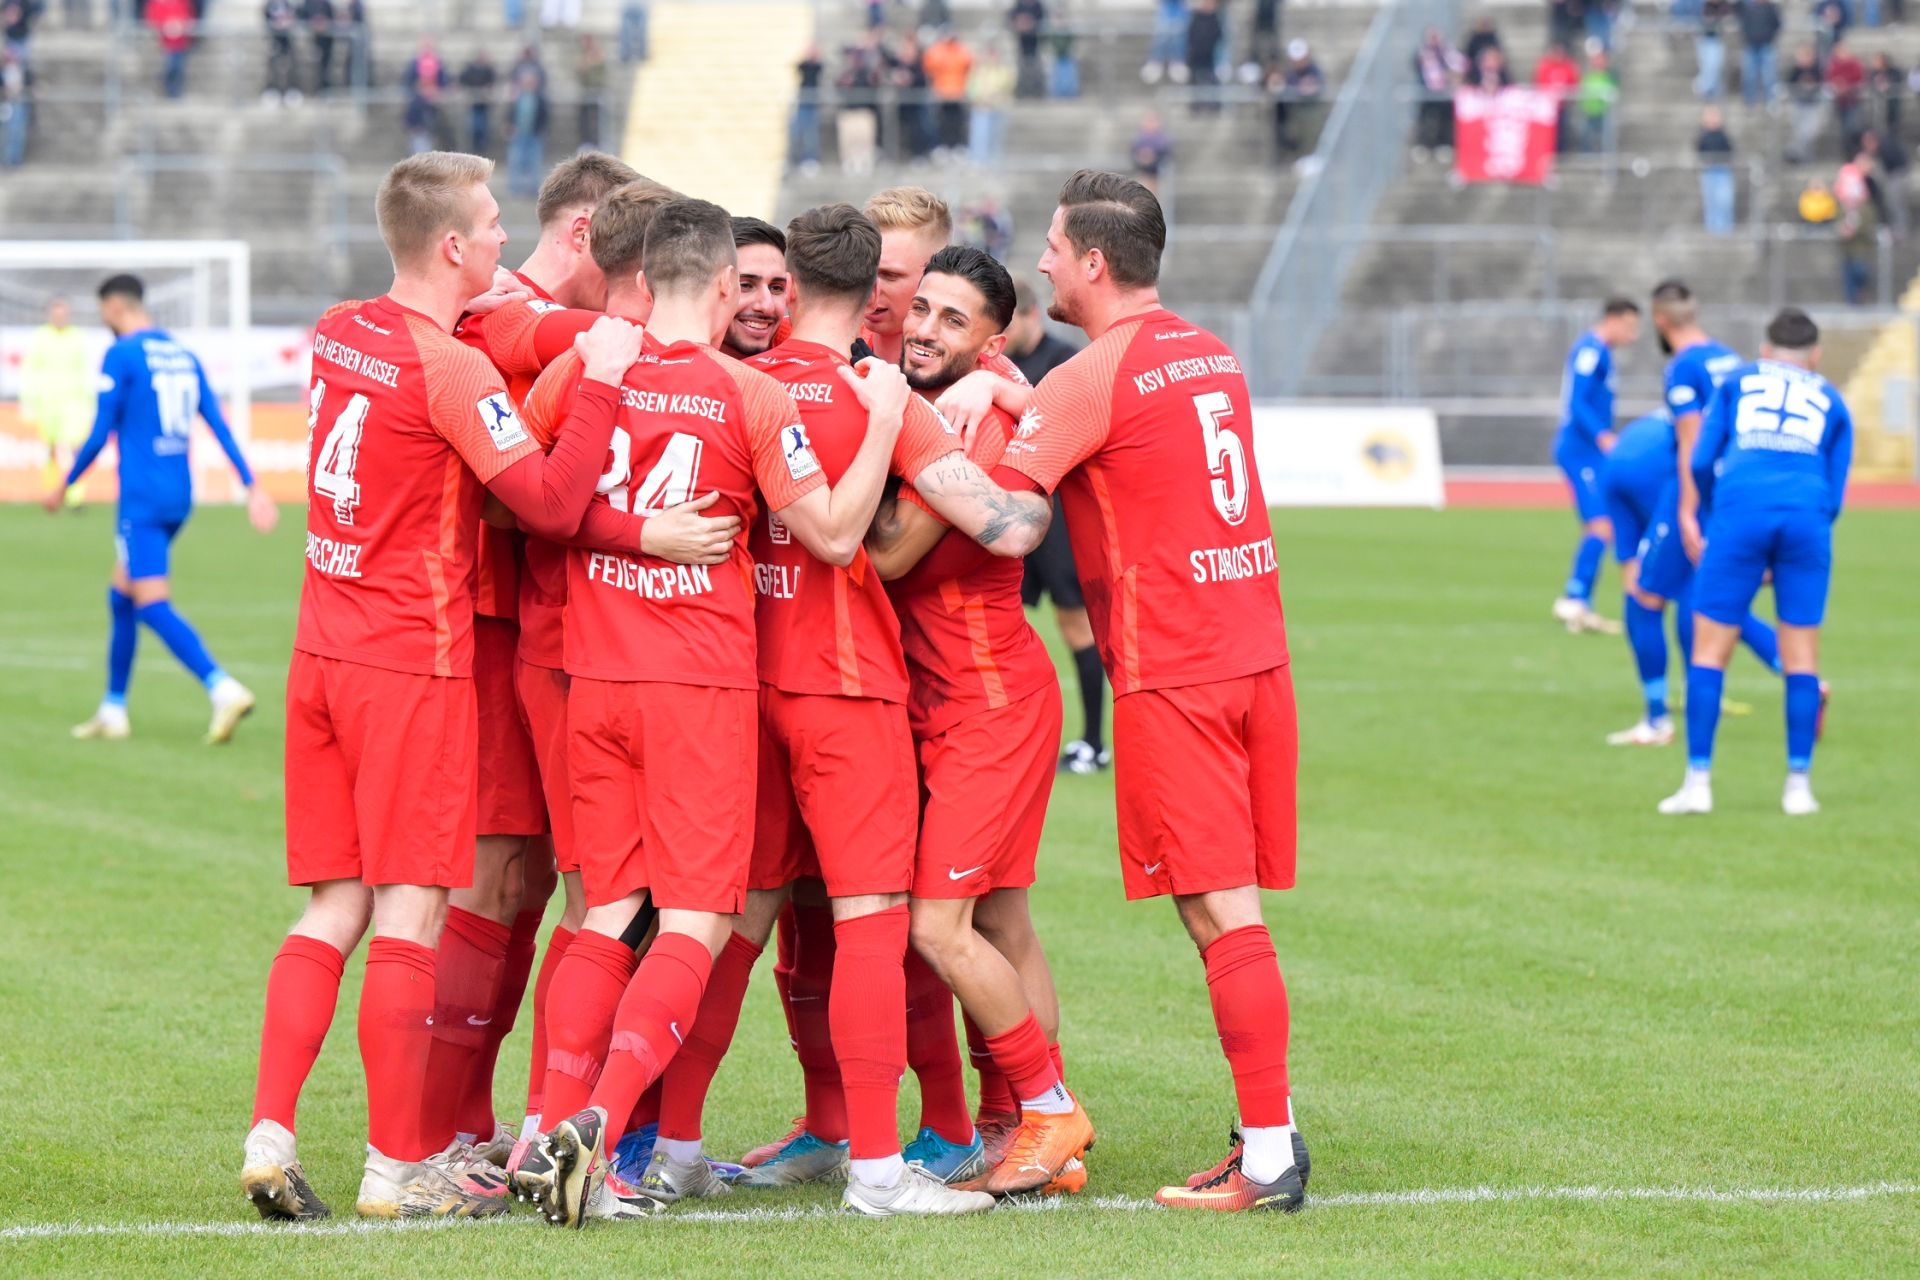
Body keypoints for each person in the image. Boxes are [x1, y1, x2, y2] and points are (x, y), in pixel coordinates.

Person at [521, 198, 1046, 1227]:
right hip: (821, 693)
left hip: (672, 686)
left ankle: (631, 1140)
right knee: (857, 925)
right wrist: (966, 419)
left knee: (658, 919)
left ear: (786, 287)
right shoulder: (788, 393)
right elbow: (965, 530)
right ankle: (882, 1168)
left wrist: (629, 531)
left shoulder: (618, 365)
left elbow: (524, 497)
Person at [239, 149, 660, 1224]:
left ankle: (270, 1131)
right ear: (454, 245)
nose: (506, 237)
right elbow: (552, 504)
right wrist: (604, 375)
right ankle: (396, 1166)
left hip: (319, 652)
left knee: (332, 904)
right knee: (412, 912)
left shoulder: (339, 327)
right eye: (492, 222)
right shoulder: (451, 371)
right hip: (408, 663)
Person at [1002, 169, 1307, 1212]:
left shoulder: (1087, 377)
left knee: (1221, 910)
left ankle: (1269, 1158)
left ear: (1093, 261)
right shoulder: (1209, 351)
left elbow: (1010, 514)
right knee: (1222, 905)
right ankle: (1266, 1132)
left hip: (1176, 667)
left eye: (1053, 247)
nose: (1041, 263)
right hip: (1253, 652)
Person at [434, 152, 648, 1182]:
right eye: (633, 264)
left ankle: (504, 1120)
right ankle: (448, 1124)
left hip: (550, 629)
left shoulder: (542, 316)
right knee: (502, 877)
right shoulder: (497, 314)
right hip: (488, 626)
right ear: (585, 235)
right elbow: (532, 333)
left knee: (537, 881)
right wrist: (633, 330)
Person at [864, 244, 1091, 1196]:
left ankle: (1048, 1110)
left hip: (989, 705)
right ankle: (1025, 1132)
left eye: (953, 321)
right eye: (921, 308)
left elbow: (889, 553)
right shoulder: (948, 400)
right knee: (1002, 919)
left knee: (939, 927)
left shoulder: (975, 426)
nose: (923, 329)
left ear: (994, 341)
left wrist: (876, 428)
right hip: (945, 702)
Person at [56, 274, 276, 744]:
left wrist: (66, 484)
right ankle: (113, 709)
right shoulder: (183, 355)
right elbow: (217, 423)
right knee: (121, 597)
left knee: (151, 603)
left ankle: (222, 688)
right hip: (179, 496)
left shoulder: (122, 354)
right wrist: (250, 485)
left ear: (115, 307)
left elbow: (99, 432)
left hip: (142, 499)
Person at [1659, 308, 1851, 817]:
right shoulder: (1832, 399)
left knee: (1709, 651)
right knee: (1802, 658)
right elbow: (1834, 492)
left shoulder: (1739, 381)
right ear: (1815, 356)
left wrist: (1713, 510)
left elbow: (1702, 459)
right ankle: (1798, 787)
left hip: (1741, 508)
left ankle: (1698, 784)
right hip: (1806, 517)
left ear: (1765, 350)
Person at [1550, 297, 1638, 635]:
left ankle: (1578, 599)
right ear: (1612, 320)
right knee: (1601, 525)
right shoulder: (1591, 351)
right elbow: (1577, 401)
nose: (1632, 335)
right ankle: (1574, 598)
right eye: (1629, 327)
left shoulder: (1601, 353)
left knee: (1603, 526)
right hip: (1580, 450)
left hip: (1590, 451)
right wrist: (1602, 435)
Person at [22, 297, 93, 509]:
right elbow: (31, 370)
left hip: (74, 402)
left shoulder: (78, 337)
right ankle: (51, 490)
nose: (60, 317)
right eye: (56, 313)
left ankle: (75, 494)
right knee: (51, 448)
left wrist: (89, 400)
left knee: (75, 447)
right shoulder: (41, 337)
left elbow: (84, 370)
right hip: (47, 402)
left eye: (63, 314)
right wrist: (29, 400)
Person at [719, 215, 789, 359]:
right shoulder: (673, 361)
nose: (767, 306)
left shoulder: (819, 353)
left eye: (776, 288)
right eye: (745, 285)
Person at [1413, 28, 1466, 156]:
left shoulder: (1448, 53)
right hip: (1427, 92)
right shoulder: (1423, 53)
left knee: (1445, 120)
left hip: (1445, 93)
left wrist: (1451, 76)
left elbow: (1460, 65)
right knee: (1425, 119)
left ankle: (1445, 144)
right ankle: (1424, 144)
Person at [921, 26, 971, 159]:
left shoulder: (961, 50)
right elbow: (929, 68)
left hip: (957, 92)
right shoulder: (936, 51)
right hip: (942, 92)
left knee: (957, 122)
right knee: (942, 122)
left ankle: (957, 147)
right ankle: (943, 147)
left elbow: (967, 65)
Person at [966, 38, 1012, 167]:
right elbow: (972, 88)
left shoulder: (1003, 71)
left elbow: (1006, 87)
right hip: (981, 108)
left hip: (997, 108)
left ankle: (994, 160)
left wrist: (995, 98)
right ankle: (978, 160)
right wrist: (980, 98)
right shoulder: (979, 71)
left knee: (995, 136)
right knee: (979, 135)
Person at [506, 66, 547, 197]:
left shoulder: (540, 99)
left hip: (534, 136)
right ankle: (515, 188)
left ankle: (533, 188)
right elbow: (510, 114)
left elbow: (544, 116)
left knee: (534, 163)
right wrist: (509, 126)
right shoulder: (517, 97)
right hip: (518, 135)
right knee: (515, 161)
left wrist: (540, 130)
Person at [1697, 106, 1736, 235]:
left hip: (1722, 170)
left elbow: (1729, 150)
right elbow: (1699, 150)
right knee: (1711, 201)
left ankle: (1725, 228)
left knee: (1724, 200)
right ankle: (1712, 228)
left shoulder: (1723, 136)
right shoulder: (1703, 136)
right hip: (1709, 171)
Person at [1785, 44, 1825, 162]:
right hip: (1799, 104)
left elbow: (1822, 85)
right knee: (1799, 132)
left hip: (1813, 105)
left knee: (1809, 132)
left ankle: (1802, 154)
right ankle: (1800, 155)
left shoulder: (1817, 70)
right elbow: (1790, 85)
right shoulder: (1796, 70)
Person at [1737, 0, 1780, 106]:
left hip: (1766, 45)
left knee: (1769, 75)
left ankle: (1771, 101)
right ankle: (1749, 101)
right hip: (1751, 45)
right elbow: (1743, 22)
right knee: (1749, 75)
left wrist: (1769, 37)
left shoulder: (1771, 8)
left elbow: (1777, 24)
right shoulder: (1748, 8)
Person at [1576, 47, 1618, 152]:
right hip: (1589, 111)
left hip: (1604, 112)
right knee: (1587, 136)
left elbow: (1613, 92)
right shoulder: (1589, 76)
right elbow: (1583, 90)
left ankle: (1607, 154)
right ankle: (1587, 155)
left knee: (1605, 136)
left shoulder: (1609, 77)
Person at [149, 0, 193, 98]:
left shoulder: (181, 2)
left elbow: (187, 16)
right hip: (164, 43)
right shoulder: (157, 3)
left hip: (179, 42)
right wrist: (164, 26)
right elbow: (152, 18)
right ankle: (169, 90)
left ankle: (175, 91)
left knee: (178, 67)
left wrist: (180, 25)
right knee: (169, 67)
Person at [790, 43, 823, 172]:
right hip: (803, 103)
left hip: (813, 104)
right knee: (799, 131)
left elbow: (818, 69)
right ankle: (798, 158)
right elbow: (800, 67)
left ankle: (811, 158)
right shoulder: (804, 66)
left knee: (811, 133)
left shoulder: (818, 66)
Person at [460, 48, 497, 155]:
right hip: (473, 104)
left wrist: (487, 90)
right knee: (473, 127)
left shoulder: (489, 70)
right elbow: (463, 80)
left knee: (483, 128)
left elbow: (492, 84)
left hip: (484, 105)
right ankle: (474, 148)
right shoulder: (470, 69)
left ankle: (482, 149)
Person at [264, 0, 301, 104]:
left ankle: (291, 90)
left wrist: (288, 23)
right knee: (273, 67)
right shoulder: (270, 5)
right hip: (274, 40)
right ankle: (272, 90)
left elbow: (296, 16)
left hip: (287, 40)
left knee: (291, 66)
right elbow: (266, 19)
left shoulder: (289, 5)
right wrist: (276, 24)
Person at [1695, 0, 1730, 100]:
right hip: (1704, 39)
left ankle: (1712, 92)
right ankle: (1707, 92)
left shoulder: (1724, 7)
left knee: (1715, 66)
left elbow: (1727, 21)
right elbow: (1699, 21)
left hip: (1717, 39)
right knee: (1707, 67)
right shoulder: (1703, 6)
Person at [576, 34, 605, 150]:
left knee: (596, 118)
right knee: (584, 119)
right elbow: (580, 73)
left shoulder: (598, 55)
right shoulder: (582, 56)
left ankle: (596, 142)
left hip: (595, 93)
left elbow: (598, 77)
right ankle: (586, 142)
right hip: (585, 93)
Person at [1131, 109, 1171, 189]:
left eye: (1152, 121)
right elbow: (1133, 155)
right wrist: (1142, 159)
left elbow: (1165, 156)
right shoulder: (1138, 139)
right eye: (1148, 121)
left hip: (1157, 172)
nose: (1150, 124)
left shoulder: (1163, 140)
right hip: (1143, 171)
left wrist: (1152, 159)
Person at [303, 0, 335, 95]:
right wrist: (312, 24)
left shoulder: (327, 4)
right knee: (313, 69)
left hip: (326, 42)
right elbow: (303, 17)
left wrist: (325, 24)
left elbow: (331, 18)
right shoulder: (308, 3)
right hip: (312, 40)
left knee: (326, 68)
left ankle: (325, 89)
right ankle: (313, 90)